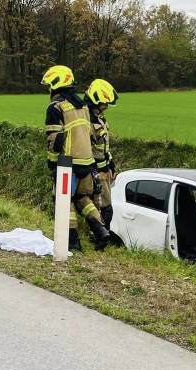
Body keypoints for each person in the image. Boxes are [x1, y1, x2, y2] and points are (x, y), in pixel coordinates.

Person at [42, 65, 110, 251]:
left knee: (63, 200)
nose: (49, 88)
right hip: (87, 163)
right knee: (82, 198)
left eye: (50, 84)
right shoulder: (83, 107)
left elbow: (55, 139)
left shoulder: (56, 108)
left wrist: (52, 163)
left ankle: (72, 242)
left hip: (67, 164)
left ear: (56, 83)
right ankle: (101, 230)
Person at [85, 78, 119, 231]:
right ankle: (98, 239)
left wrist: (110, 162)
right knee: (102, 210)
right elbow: (85, 149)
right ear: (95, 101)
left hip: (104, 172)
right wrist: (93, 170)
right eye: (104, 104)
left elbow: (103, 147)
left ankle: (101, 236)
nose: (106, 107)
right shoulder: (87, 123)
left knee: (107, 210)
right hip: (95, 174)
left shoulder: (100, 120)